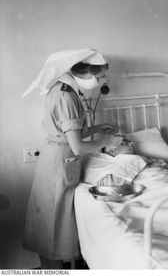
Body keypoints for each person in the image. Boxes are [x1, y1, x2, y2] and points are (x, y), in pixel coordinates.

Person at [22, 49, 124, 269]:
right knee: (50, 229)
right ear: (86, 72)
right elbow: (77, 147)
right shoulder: (65, 95)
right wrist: (108, 142)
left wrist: (95, 128)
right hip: (58, 164)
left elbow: (68, 133)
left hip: (59, 157)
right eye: (98, 77)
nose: (99, 82)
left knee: (53, 228)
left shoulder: (65, 89)